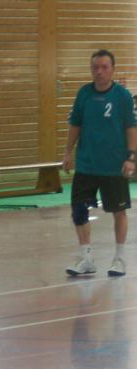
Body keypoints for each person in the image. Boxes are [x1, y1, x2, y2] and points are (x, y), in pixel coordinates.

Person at [63, 49, 137, 278]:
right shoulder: (84, 93)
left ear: (112, 69)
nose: (99, 71)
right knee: (78, 209)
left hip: (113, 165)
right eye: (95, 67)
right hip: (87, 164)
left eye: (104, 67)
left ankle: (119, 259)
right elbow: (75, 125)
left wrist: (131, 157)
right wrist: (68, 152)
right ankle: (86, 258)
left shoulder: (123, 96)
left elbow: (131, 128)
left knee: (118, 211)